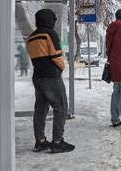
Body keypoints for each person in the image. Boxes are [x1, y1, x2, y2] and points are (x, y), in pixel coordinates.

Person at [26, 9, 75, 153]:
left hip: (38, 77)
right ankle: (57, 142)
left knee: (40, 110)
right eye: (53, 19)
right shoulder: (49, 34)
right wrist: (62, 66)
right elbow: (56, 56)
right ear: (49, 20)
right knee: (61, 108)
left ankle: (40, 141)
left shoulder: (31, 37)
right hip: (51, 76)